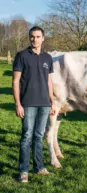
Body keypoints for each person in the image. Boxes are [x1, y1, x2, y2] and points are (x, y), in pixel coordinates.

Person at [12, 26, 56, 183]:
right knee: (26, 137)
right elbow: (16, 81)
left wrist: (52, 101)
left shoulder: (48, 58)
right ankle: (24, 171)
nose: (35, 39)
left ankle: (39, 167)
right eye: (32, 36)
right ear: (29, 38)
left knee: (38, 136)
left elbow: (49, 81)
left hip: (44, 104)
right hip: (28, 103)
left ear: (43, 38)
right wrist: (18, 104)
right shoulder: (22, 56)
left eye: (38, 36)